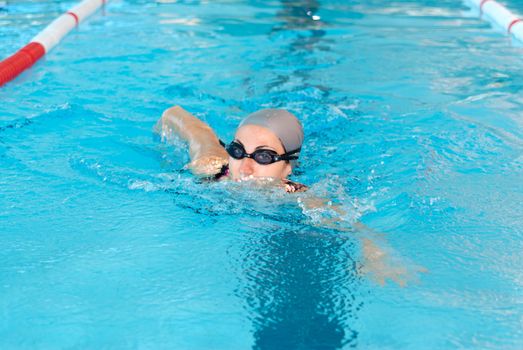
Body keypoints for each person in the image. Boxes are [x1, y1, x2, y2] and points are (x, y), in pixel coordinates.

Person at [155, 105, 308, 192]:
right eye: (237, 151)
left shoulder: (296, 195)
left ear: (288, 166)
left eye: (263, 156)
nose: (244, 169)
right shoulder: (209, 167)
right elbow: (172, 114)